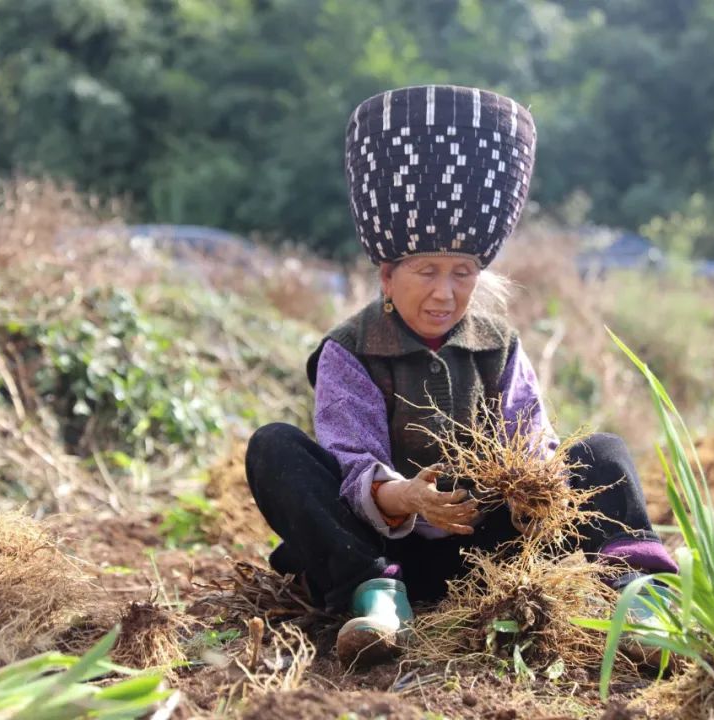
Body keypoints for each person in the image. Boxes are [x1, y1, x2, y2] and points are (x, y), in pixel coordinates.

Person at [245, 85, 676, 667]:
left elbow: (532, 437)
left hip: (491, 547)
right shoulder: (349, 350)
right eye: (426, 271)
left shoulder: (497, 343)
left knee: (602, 452)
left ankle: (642, 605)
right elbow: (350, 460)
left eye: (462, 273)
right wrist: (405, 497)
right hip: (389, 548)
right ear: (387, 277)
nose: (445, 293)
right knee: (274, 447)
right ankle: (375, 602)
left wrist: (533, 486)